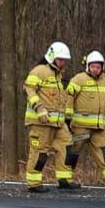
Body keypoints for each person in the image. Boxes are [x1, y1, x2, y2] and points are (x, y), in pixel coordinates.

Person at [64, 51, 105, 189]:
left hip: (98, 128)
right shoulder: (78, 79)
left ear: (102, 68)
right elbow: (69, 98)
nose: (95, 69)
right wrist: (67, 118)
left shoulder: (104, 82)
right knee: (73, 151)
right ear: (88, 66)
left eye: (98, 67)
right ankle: (65, 178)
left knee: (104, 151)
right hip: (80, 127)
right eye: (93, 66)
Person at [24, 41, 77, 193]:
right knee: (40, 152)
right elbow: (29, 89)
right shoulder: (39, 71)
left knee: (67, 147)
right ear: (52, 57)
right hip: (41, 122)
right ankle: (34, 183)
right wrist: (39, 108)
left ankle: (64, 179)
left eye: (64, 61)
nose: (63, 63)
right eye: (60, 60)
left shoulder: (58, 76)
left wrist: (67, 118)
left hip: (58, 123)